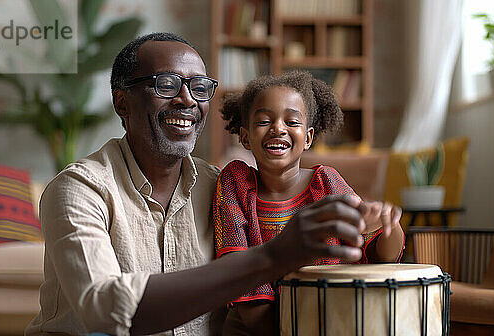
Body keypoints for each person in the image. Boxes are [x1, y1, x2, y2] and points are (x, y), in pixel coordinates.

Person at [26, 32, 377, 336]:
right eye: (166, 85)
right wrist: (271, 257)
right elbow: (104, 310)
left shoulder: (224, 188)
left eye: (199, 88)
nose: (188, 100)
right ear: (123, 102)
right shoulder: (78, 189)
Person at [214, 71, 405, 335]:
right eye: (265, 121)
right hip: (255, 325)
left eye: (291, 121)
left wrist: (386, 225)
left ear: (308, 137)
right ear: (245, 137)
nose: (278, 128)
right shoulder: (236, 182)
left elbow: (384, 257)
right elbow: (237, 271)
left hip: (333, 318)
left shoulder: (325, 182)